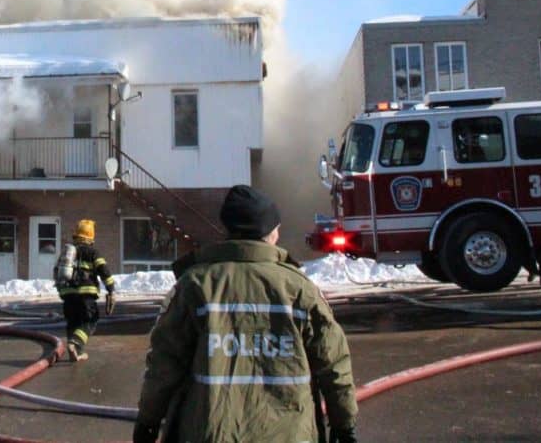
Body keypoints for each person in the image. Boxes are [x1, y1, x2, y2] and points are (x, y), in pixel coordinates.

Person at [134, 185, 358, 443]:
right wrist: (344, 425)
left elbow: (164, 364)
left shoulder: (196, 285)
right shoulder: (299, 289)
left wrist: (148, 420)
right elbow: (334, 364)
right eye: (276, 227)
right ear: (268, 232)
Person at [55, 219, 115, 362]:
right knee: (90, 320)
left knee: (73, 322)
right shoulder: (92, 252)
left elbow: (57, 271)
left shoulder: (67, 253)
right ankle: (76, 344)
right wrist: (111, 288)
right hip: (86, 295)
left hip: (68, 296)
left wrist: (61, 291)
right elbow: (103, 270)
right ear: (90, 236)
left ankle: (76, 350)